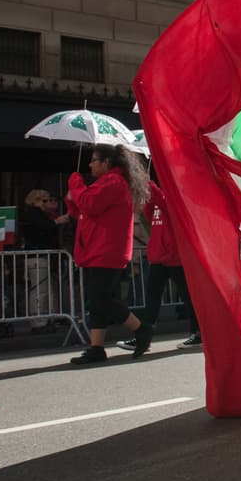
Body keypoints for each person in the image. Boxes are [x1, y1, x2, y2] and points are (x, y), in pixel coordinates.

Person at [66, 144, 152, 364]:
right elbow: (83, 210)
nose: (90, 164)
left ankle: (141, 329)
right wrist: (74, 196)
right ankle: (97, 347)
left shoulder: (113, 182)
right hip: (99, 249)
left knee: (102, 299)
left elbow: (88, 204)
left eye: (94, 160)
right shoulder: (109, 182)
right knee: (99, 301)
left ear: (106, 163)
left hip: (104, 249)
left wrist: (75, 183)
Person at [116, 173, 200, 353]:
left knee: (188, 297)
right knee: (152, 299)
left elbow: (159, 200)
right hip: (160, 257)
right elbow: (150, 209)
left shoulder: (174, 202)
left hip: (176, 257)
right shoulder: (157, 206)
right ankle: (144, 336)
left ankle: (198, 332)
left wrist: (145, 180)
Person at [18, 189, 69, 330]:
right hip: (37, 255)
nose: (46, 203)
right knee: (39, 290)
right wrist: (56, 221)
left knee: (46, 290)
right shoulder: (31, 214)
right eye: (44, 200)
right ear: (34, 200)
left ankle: (48, 319)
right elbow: (42, 228)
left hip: (44, 255)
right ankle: (39, 322)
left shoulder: (40, 214)